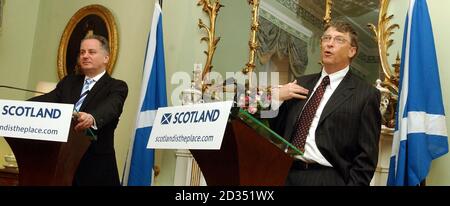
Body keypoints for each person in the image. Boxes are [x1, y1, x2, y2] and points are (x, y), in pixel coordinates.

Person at [270, 21, 381, 186]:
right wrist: (276, 99)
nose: (329, 43)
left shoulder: (365, 94)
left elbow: (366, 157)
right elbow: (277, 130)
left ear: (352, 51)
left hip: (328, 178)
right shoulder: (300, 83)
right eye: (326, 38)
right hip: (286, 173)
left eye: (338, 40)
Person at [30, 35, 128, 186]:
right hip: (63, 166)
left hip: (96, 169)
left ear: (106, 58)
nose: (85, 56)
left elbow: (111, 107)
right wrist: (15, 109)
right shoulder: (69, 82)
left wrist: (92, 118)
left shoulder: (116, 86)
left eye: (91, 52)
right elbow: (46, 100)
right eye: (82, 52)